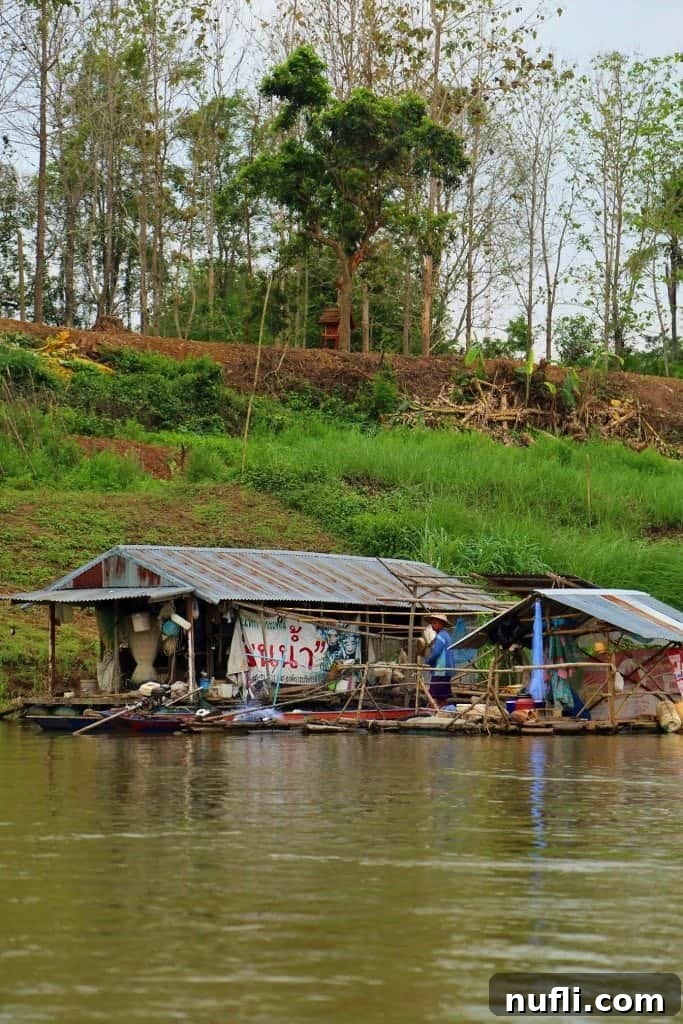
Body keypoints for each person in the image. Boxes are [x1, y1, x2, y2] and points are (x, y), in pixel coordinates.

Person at [425, 612, 456, 705]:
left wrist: (428, 662)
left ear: (441, 624)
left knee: (433, 695)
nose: (433, 625)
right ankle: (442, 712)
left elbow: (436, 653)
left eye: (436, 623)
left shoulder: (440, 636)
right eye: (432, 622)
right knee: (442, 695)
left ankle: (434, 713)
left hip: (441, 670)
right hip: (447, 670)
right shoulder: (446, 636)